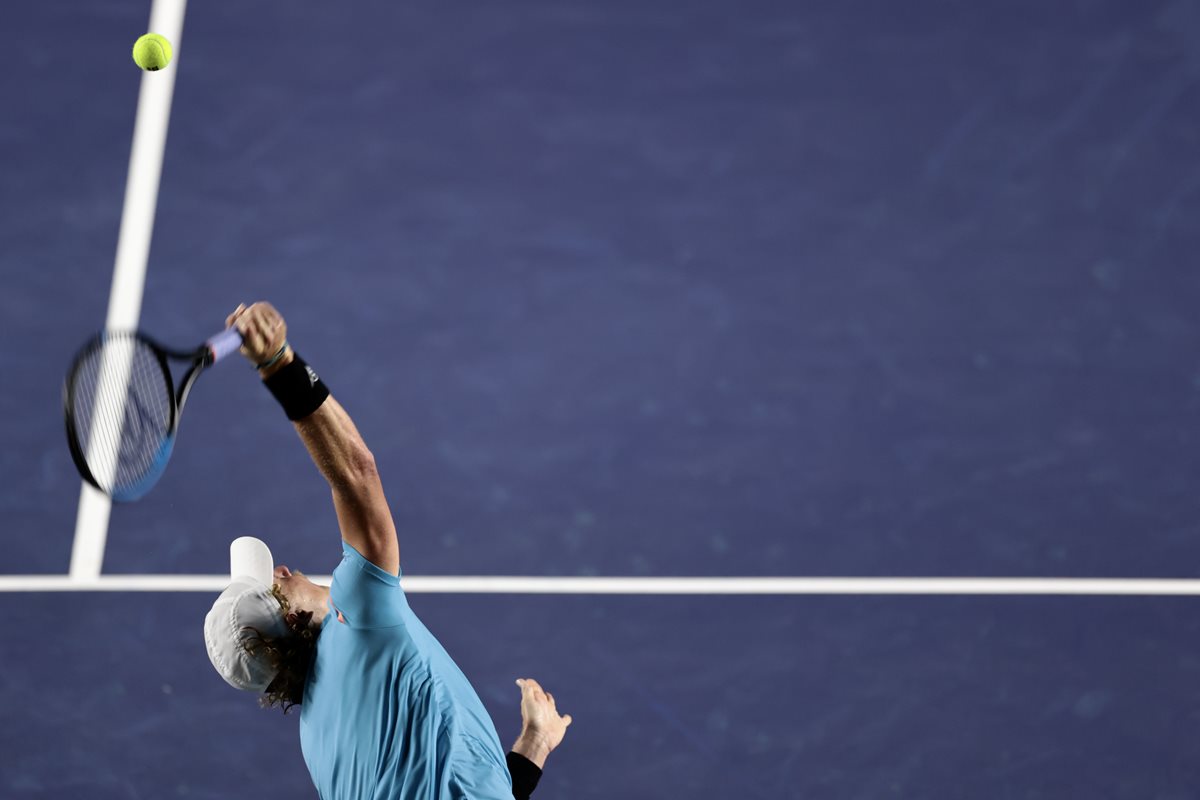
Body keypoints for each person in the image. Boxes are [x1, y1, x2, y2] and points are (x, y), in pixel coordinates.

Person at [202, 301, 571, 799]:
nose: (284, 568)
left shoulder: (319, 747)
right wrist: (278, 364)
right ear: (291, 619)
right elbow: (357, 473)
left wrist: (534, 744)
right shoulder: (356, 618)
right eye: (275, 582)